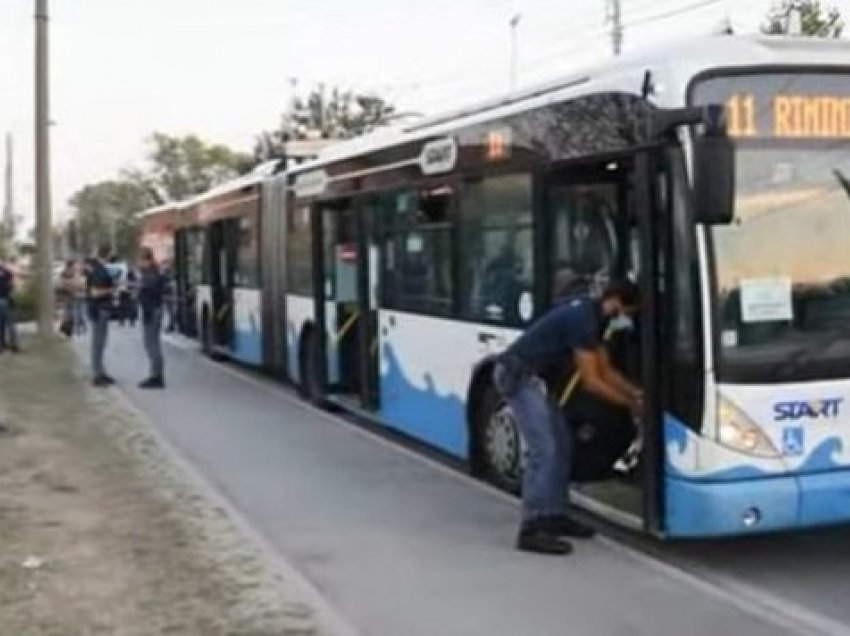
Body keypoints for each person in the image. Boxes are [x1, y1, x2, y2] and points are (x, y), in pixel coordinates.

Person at [493, 279, 642, 556]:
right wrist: (630, 405)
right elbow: (592, 381)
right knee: (544, 450)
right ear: (617, 303)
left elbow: (605, 370)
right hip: (518, 377)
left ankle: (554, 514)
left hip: (536, 379)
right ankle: (532, 528)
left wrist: (635, 394)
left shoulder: (594, 318)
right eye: (629, 312)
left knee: (563, 445)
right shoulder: (583, 320)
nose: (628, 319)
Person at [137, 247, 166, 388]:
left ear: (145, 260)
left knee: (151, 344)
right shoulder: (154, 272)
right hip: (154, 309)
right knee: (153, 343)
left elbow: (147, 292)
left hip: (152, 311)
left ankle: (156, 376)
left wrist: (139, 292)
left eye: (140, 260)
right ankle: (156, 374)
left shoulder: (151, 274)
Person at [86, 246, 116, 387]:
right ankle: (97, 375)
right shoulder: (99, 271)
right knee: (98, 344)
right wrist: (112, 289)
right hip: (99, 311)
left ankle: (101, 372)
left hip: (101, 310)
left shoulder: (99, 269)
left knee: (100, 343)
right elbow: (95, 293)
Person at [0, 261, 13, 353]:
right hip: (4, 300)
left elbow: (9, 275)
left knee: (3, 325)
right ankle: (4, 344)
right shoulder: (4, 276)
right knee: (5, 324)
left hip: (5, 300)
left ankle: (3, 344)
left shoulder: (5, 275)